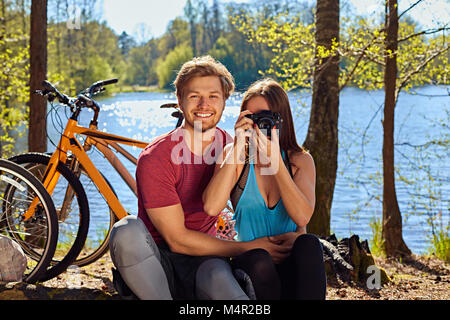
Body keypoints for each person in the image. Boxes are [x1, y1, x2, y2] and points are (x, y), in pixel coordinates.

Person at [109, 56, 282, 300]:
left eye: (213, 96)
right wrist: (246, 247)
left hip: (207, 260)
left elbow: (258, 209)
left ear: (224, 101)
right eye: (194, 96)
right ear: (179, 101)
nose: (204, 105)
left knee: (225, 285)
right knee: (125, 230)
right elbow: (177, 241)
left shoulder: (234, 147)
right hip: (156, 260)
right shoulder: (156, 157)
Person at [203, 78, 327, 300]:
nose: (257, 125)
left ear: (280, 120)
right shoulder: (234, 157)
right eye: (250, 117)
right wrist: (238, 146)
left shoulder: (300, 161)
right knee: (260, 259)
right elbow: (212, 207)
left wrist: (276, 163)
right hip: (251, 262)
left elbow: (302, 216)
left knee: (309, 244)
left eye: (264, 118)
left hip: (291, 259)